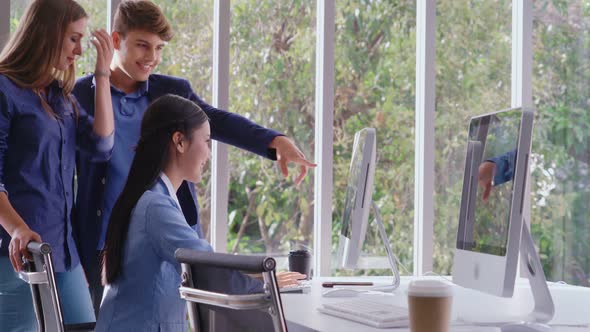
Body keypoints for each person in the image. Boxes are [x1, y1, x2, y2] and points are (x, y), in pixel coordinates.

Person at [71, 0, 316, 314]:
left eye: (159, 48)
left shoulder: (171, 91)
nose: (152, 58)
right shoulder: (80, 95)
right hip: (103, 244)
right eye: (142, 46)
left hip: (165, 239)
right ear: (116, 41)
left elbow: (217, 121)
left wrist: (274, 140)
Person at [96, 94, 304, 331]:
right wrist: (267, 285)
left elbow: (204, 266)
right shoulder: (156, 207)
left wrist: (259, 279)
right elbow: (206, 269)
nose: (209, 154)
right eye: (206, 142)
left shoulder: (154, 197)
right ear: (180, 142)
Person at [0, 0, 114, 330]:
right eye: (73, 39)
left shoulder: (58, 96)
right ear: (47, 34)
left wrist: (103, 76)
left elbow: (102, 146)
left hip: (63, 253)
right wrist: (18, 228)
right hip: (18, 254)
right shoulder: (5, 91)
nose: (79, 50)